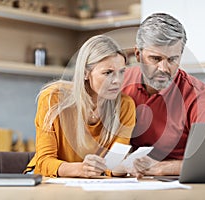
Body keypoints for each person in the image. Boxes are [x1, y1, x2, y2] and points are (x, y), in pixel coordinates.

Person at [122, 13, 205, 176]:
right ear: (138, 55)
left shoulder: (197, 94)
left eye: (172, 59)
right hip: (127, 180)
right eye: (155, 58)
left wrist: (162, 168)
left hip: (178, 181)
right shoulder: (119, 83)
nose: (164, 68)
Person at [25, 35, 136, 178]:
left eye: (121, 72)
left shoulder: (125, 106)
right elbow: (44, 162)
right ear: (85, 73)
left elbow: (111, 166)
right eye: (108, 73)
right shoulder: (52, 98)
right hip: (47, 181)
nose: (117, 81)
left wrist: (126, 166)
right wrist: (80, 169)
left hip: (92, 182)